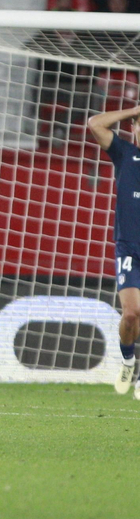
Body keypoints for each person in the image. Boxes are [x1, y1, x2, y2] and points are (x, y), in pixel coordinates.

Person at [86, 102, 140, 394]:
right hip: (129, 248)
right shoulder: (125, 153)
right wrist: (133, 110)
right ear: (134, 128)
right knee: (131, 314)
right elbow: (95, 124)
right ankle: (128, 362)